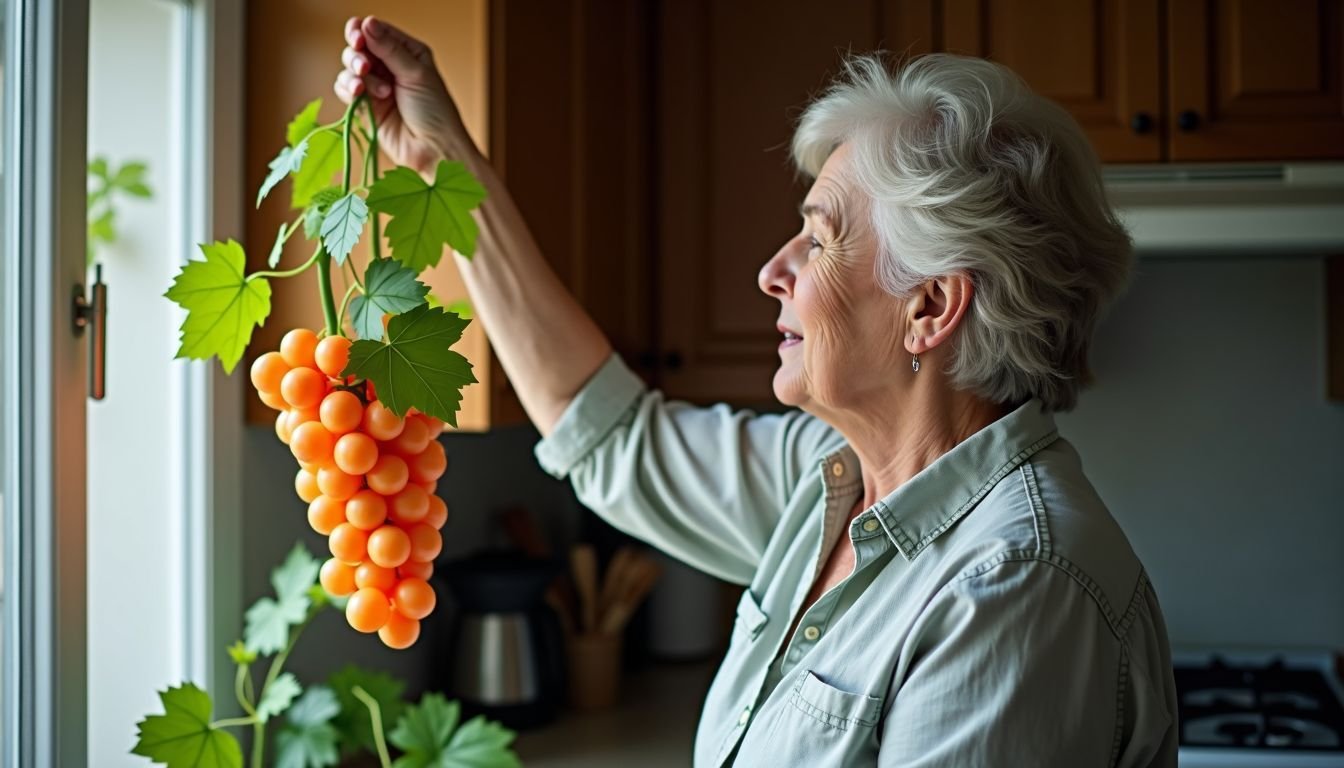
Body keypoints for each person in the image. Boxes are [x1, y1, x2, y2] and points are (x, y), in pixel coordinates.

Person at [335, 16, 1178, 767]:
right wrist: (441, 160)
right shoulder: (831, 480)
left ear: (930, 307)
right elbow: (610, 435)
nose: (773, 271)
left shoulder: (1013, 587)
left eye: (819, 239)